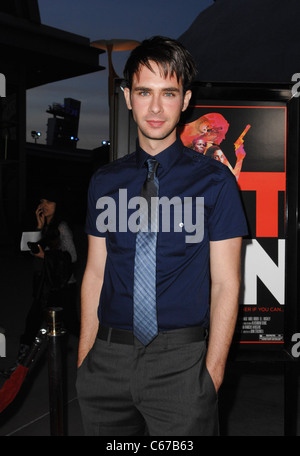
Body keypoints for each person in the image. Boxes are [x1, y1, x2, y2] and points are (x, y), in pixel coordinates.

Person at [76, 36, 248, 436]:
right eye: (144, 92)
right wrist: (86, 357)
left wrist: (213, 373)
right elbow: (95, 273)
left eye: (168, 93)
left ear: (186, 100)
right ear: (127, 97)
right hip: (107, 359)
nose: (155, 108)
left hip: (182, 365)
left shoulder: (216, 182)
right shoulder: (104, 182)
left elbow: (226, 283)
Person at [3, 189, 78, 376]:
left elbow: (73, 256)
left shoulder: (61, 227)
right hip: (45, 285)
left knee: (72, 324)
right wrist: (38, 226)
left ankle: (100, 357)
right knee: (32, 323)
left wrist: (46, 255)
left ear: (57, 205)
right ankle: (19, 368)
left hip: (63, 286)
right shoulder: (44, 225)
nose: (44, 205)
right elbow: (26, 249)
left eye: (49, 202)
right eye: (42, 201)